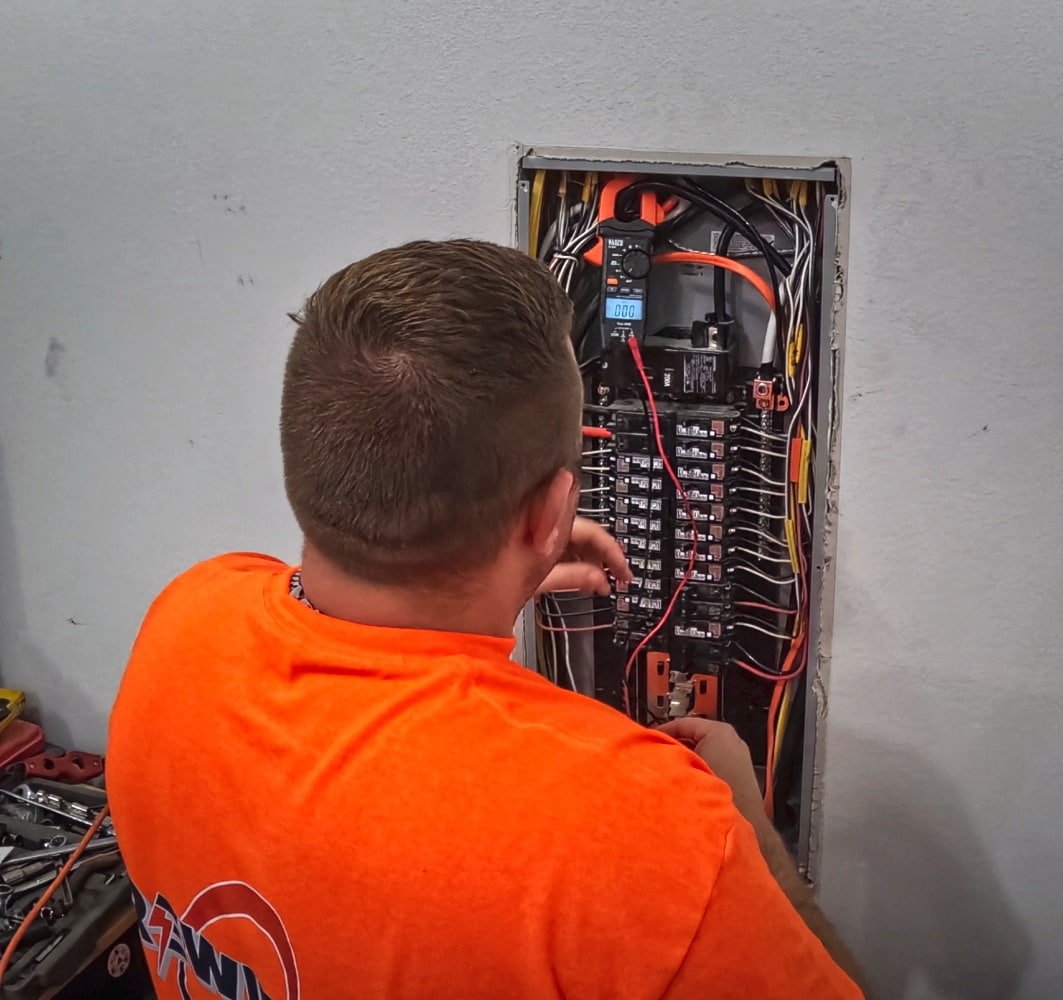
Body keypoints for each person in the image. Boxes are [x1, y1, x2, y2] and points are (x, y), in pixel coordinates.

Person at [108, 240, 863, 999]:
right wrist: (750, 835)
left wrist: (493, 569)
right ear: (548, 516)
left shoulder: (187, 616)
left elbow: (341, 602)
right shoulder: (647, 837)